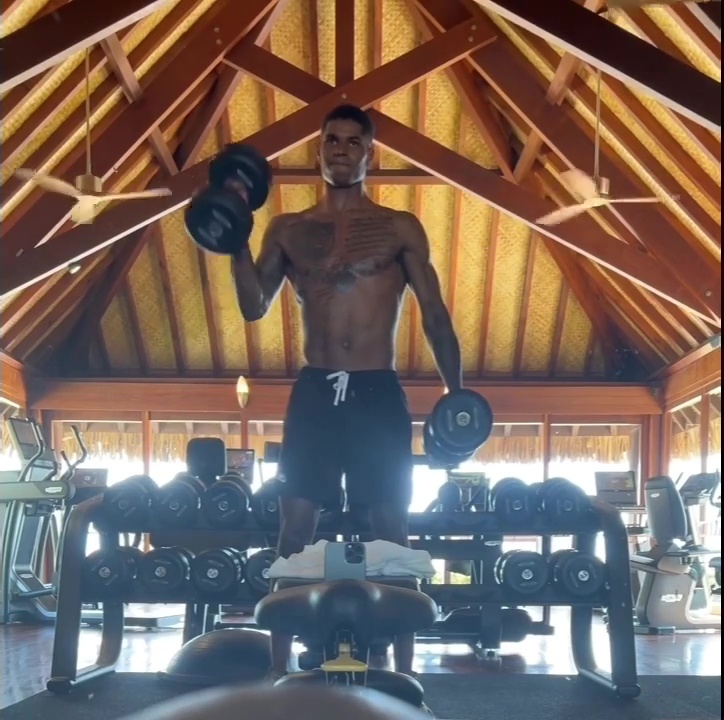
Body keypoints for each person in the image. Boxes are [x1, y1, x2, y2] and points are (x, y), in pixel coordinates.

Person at [231, 105, 462, 680]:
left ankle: (405, 672)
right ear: (319, 150)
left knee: (393, 532)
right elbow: (253, 306)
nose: (340, 149)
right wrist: (235, 237)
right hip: (315, 391)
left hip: (376, 393)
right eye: (331, 140)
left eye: (353, 142)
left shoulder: (399, 227)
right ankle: (278, 671)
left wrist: (457, 394)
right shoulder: (287, 230)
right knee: (294, 530)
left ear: (369, 154)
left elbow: (434, 314)